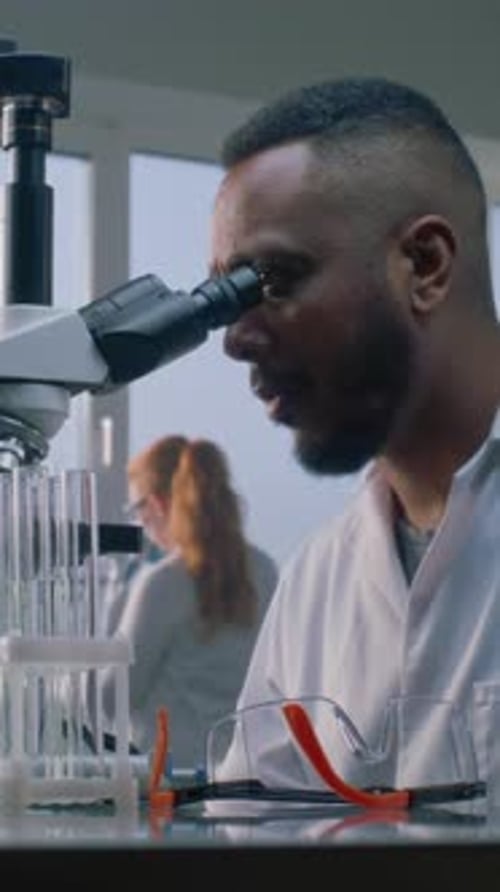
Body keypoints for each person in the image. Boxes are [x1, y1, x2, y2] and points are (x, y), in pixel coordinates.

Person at [207, 76, 500, 793]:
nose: (236, 339)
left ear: (424, 265)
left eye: (273, 278)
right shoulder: (318, 580)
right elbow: (257, 839)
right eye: (226, 296)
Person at [100, 434, 278, 769]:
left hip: (172, 782)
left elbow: (111, 699)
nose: (139, 522)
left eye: (137, 509)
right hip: (244, 774)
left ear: (157, 505)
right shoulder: (264, 570)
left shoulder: (164, 583)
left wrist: (56, 677)